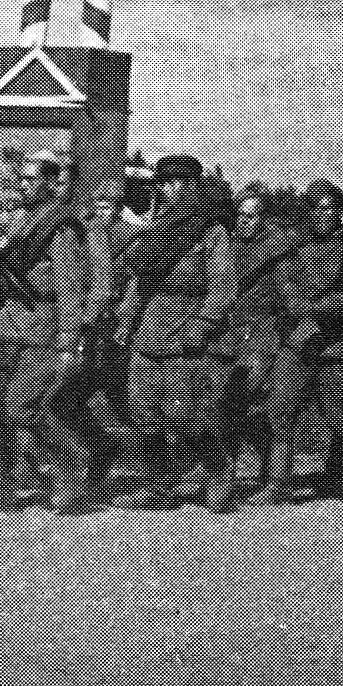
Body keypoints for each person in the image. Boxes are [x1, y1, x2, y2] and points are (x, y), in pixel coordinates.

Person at [113, 154, 239, 512]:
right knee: (142, 410)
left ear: (189, 187)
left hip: (186, 324)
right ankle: (160, 482)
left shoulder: (209, 230)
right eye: (163, 185)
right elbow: (141, 280)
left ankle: (218, 470)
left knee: (185, 415)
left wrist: (200, 328)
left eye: (172, 185)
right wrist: (126, 321)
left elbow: (222, 287)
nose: (166, 191)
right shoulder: (156, 229)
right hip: (150, 326)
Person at [0, 151, 91, 513]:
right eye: (21, 178)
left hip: (41, 329)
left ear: (53, 183)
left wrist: (69, 339)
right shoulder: (25, 224)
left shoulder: (60, 226)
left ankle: (71, 465)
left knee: (23, 406)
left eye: (33, 178)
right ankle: (1, 487)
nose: (25, 184)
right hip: (7, 323)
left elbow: (70, 286)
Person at [262, 179, 343, 507]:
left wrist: (318, 308)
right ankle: (280, 483)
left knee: (340, 414)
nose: (325, 214)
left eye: (332, 208)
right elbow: (285, 279)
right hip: (299, 339)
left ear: (340, 212)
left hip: (339, 340)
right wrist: (295, 302)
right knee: (280, 406)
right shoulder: (294, 243)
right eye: (318, 208)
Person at [52, 175, 135, 495]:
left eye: (110, 205)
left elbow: (132, 286)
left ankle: (161, 466)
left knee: (126, 402)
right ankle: (100, 447)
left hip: (114, 332)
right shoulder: (85, 237)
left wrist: (122, 322)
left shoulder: (131, 238)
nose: (103, 210)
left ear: (119, 207)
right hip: (88, 328)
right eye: (99, 204)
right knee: (68, 398)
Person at [224, 185, 298, 492]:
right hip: (230, 332)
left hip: (263, 333)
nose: (244, 221)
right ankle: (222, 473)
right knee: (230, 402)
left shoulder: (278, 252)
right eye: (240, 215)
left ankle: (276, 480)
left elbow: (290, 298)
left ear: (264, 218)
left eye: (251, 216)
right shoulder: (227, 246)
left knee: (245, 398)